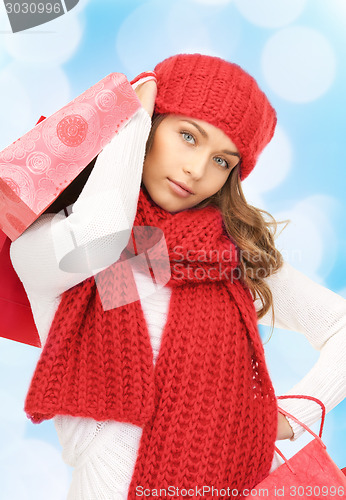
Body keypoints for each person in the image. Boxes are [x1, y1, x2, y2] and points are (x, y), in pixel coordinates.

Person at [10, 53, 346, 499]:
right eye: (188, 136)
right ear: (150, 127)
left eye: (223, 161)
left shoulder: (227, 260)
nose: (197, 170)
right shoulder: (55, 252)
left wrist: (293, 412)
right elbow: (102, 232)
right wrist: (128, 113)